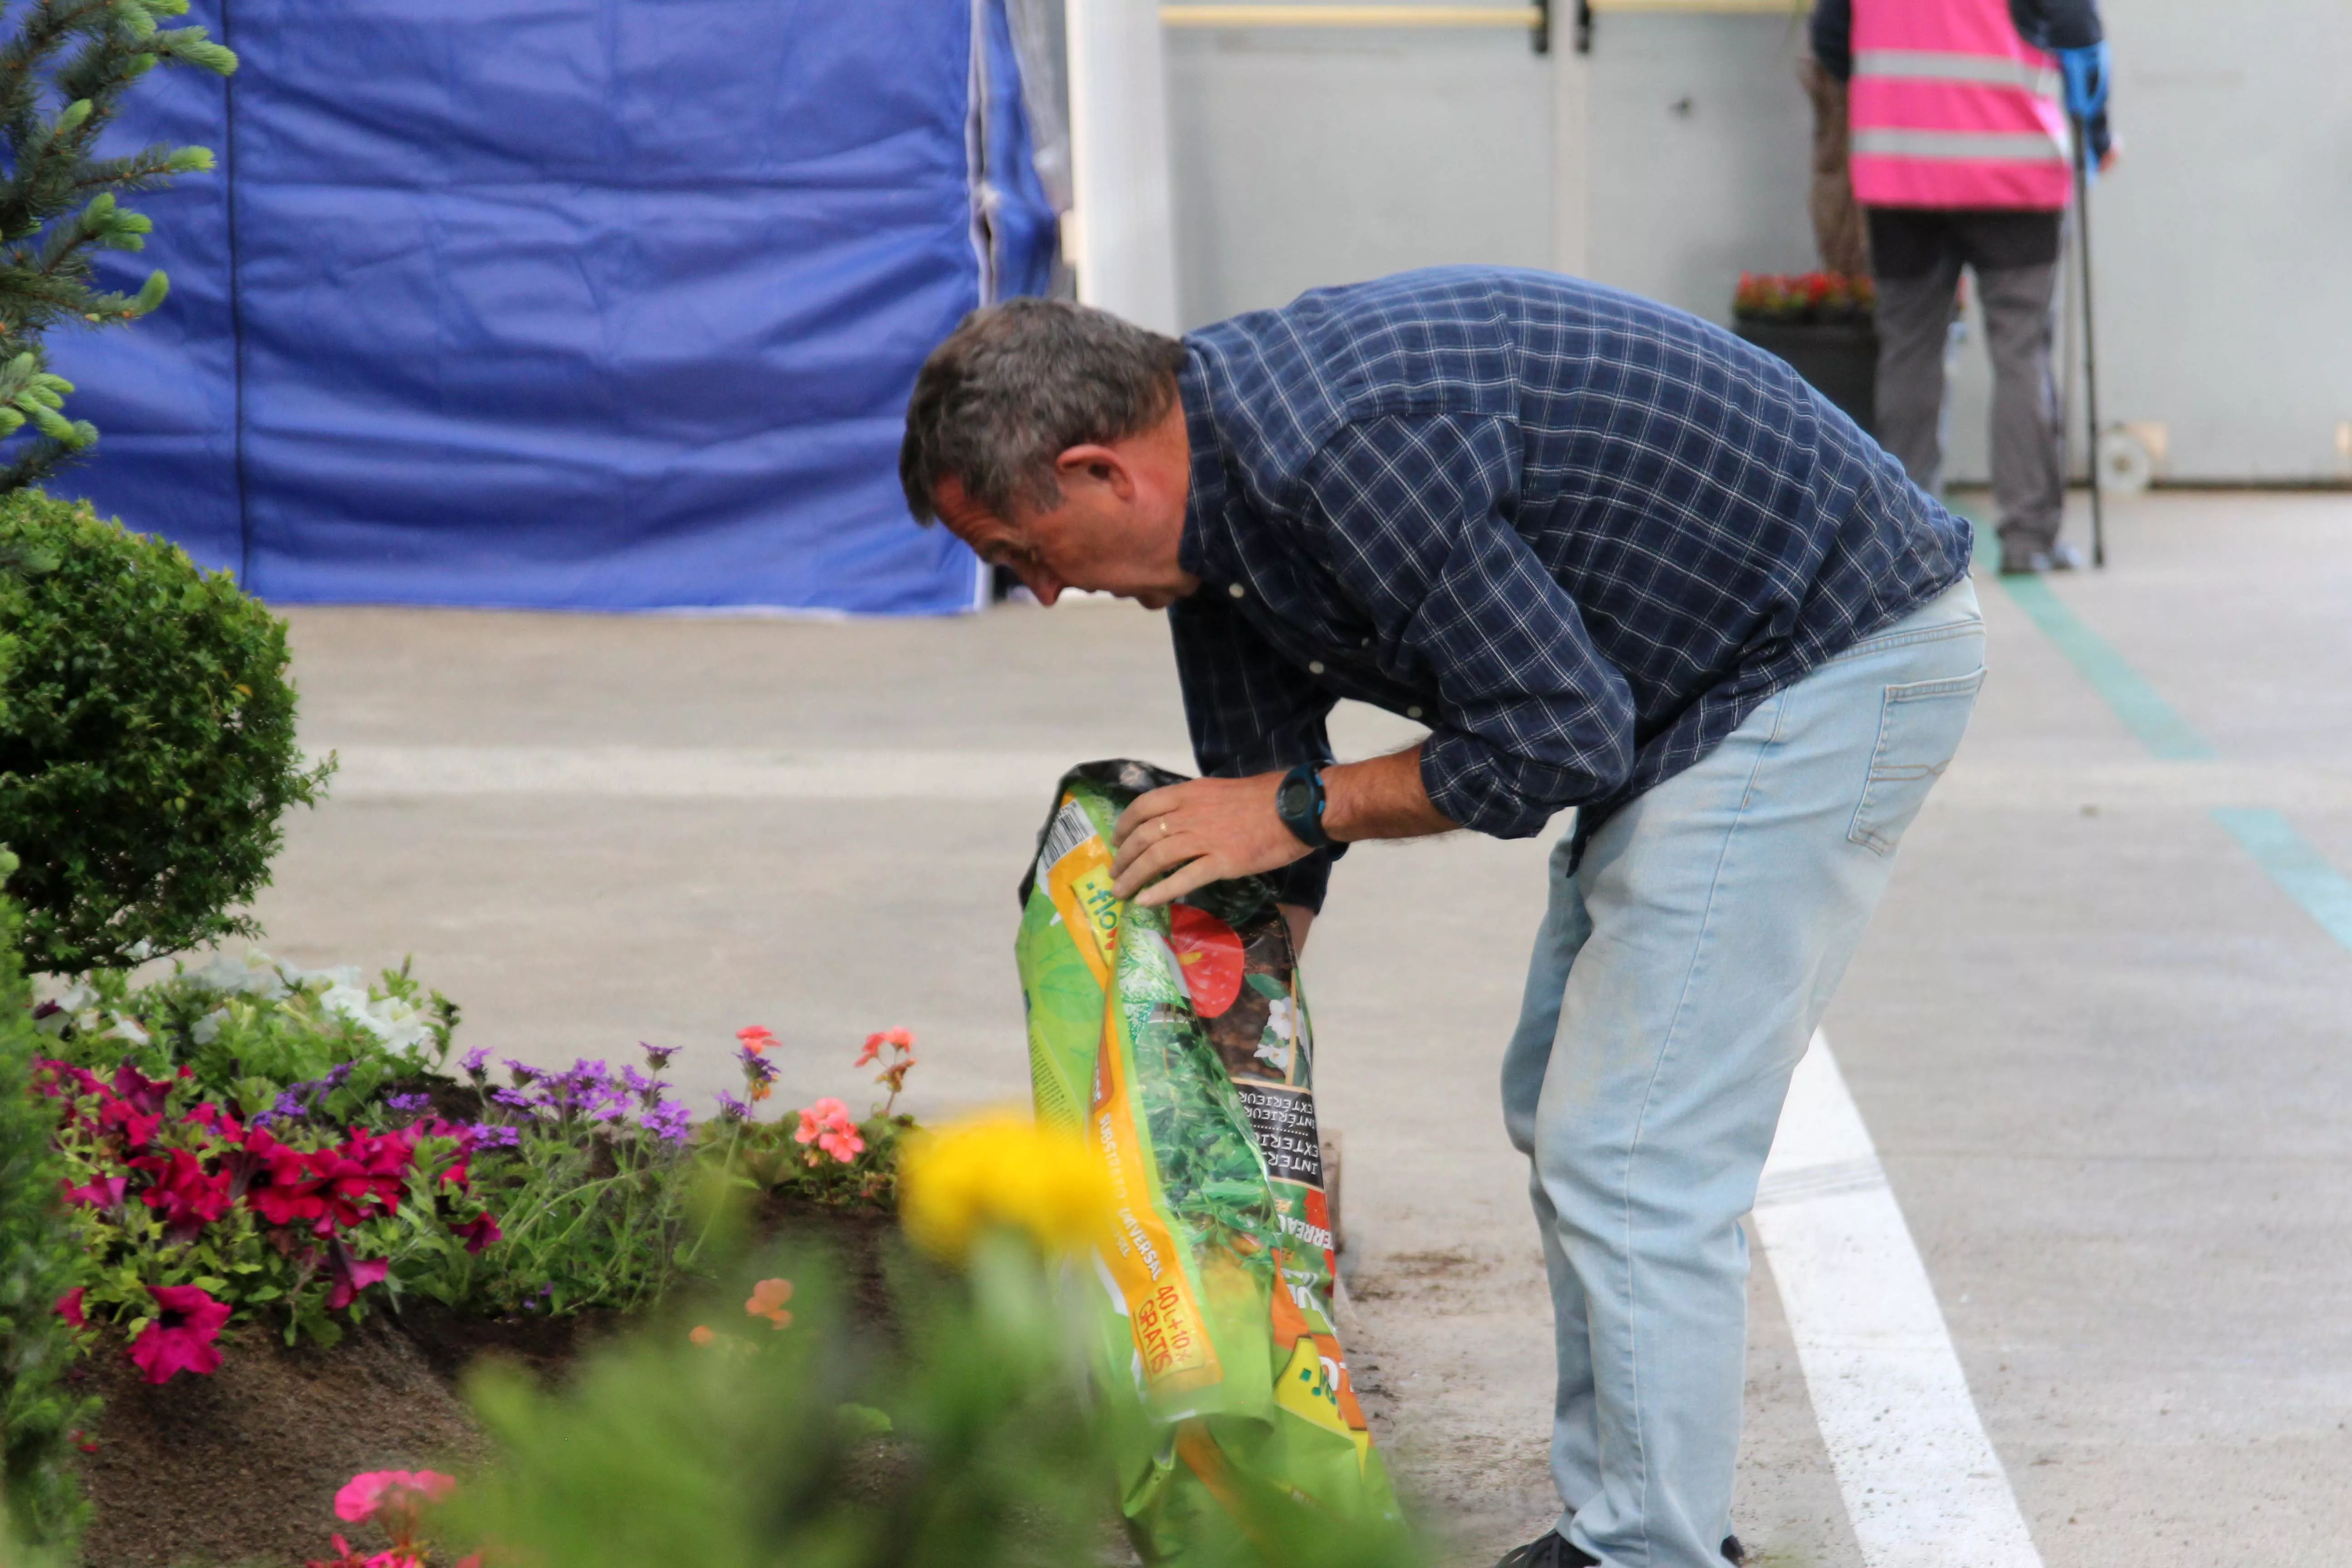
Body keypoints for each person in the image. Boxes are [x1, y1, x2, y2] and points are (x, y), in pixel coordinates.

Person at [898, 269, 1985, 1568]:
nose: (1043, 596)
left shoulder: (1341, 451)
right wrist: (1211, 1079)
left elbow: (1549, 737)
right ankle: (1630, 1522)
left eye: (1023, 553)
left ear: (1097, 472)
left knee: (1633, 1144)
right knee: (1565, 1105)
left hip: (1827, 655)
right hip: (1698, 684)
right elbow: (1267, 813)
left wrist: (1299, 808)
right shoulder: (1212, 531)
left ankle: (1650, 1549)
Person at [1811, 0, 2115, 575]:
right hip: (2015, 169)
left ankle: (1904, 544)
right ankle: (2029, 539)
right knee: (2022, 352)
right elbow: (2081, 38)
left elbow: (1831, 38)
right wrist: (2096, 139)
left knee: (1909, 351)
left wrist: (1896, 96)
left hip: (1899, 164)